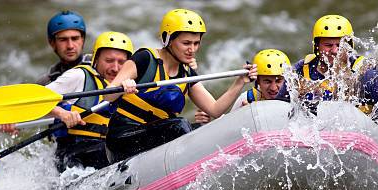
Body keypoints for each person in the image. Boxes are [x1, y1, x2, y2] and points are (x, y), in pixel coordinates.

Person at [102, 8, 257, 163]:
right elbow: (108, 94)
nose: (192, 49)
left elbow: (215, 109)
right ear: (167, 39)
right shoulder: (145, 59)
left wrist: (239, 82)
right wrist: (123, 86)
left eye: (196, 43)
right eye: (186, 43)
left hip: (155, 137)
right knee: (180, 126)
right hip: (123, 138)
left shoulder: (186, 74)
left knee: (202, 129)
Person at [277, 14, 378, 123]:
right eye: (328, 45)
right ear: (317, 47)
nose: (335, 50)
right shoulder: (301, 71)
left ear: (349, 46)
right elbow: (278, 106)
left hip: (360, 140)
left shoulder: (365, 73)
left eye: (340, 45)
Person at [46, 31, 134, 171]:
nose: (115, 68)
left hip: (106, 150)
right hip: (73, 156)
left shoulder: (130, 85)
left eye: (121, 62)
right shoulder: (79, 76)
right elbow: (36, 101)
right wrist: (62, 113)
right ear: (96, 59)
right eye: (109, 61)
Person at [36, 10, 92, 86]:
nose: (70, 46)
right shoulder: (46, 83)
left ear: (82, 40)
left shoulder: (100, 66)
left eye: (75, 38)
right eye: (63, 40)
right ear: (52, 43)